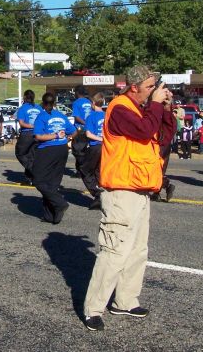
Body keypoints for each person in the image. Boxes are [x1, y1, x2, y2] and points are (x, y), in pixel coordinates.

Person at [83, 65, 175, 332]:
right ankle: (93, 308)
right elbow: (146, 131)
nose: (152, 92)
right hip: (121, 192)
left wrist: (165, 108)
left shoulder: (142, 109)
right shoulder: (120, 108)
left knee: (137, 252)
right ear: (134, 87)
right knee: (114, 252)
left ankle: (125, 301)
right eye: (149, 87)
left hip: (141, 190)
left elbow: (163, 136)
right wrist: (156, 106)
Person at [32, 92, 77, 224]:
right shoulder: (61, 116)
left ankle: (60, 203)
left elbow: (38, 136)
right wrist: (67, 138)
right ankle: (50, 215)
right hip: (62, 150)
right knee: (52, 183)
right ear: (54, 103)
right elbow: (74, 131)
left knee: (39, 180)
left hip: (47, 150)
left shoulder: (41, 116)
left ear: (43, 103)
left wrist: (55, 136)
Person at [79, 92, 105, 210]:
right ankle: (102, 195)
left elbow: (89, 134)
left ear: (93, 103)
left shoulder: (91, 116)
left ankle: (96, 193)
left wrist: (100, 139)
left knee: (84, 169)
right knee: (98, 170)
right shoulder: (106, 115)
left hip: (96, 146)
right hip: (106, 147)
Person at [15, 89, 42, 184]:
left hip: (27, 134)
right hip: (38, 134)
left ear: (25, 97)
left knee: (20, 153)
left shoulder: (22, 108)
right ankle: (30, 178)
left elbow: (22, 123)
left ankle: (34, 171)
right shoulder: (39, 108)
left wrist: (32, 126)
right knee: (31, 155)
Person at [71, 85, 93, 172]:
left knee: (77, 150)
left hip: (80, 130)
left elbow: (76, 117)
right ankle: (82, 169)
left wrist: (85, 123)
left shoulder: (76, 102)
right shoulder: (89, 102)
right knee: (86, 150)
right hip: (90, 130)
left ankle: (81, 170)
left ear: (77, 93)